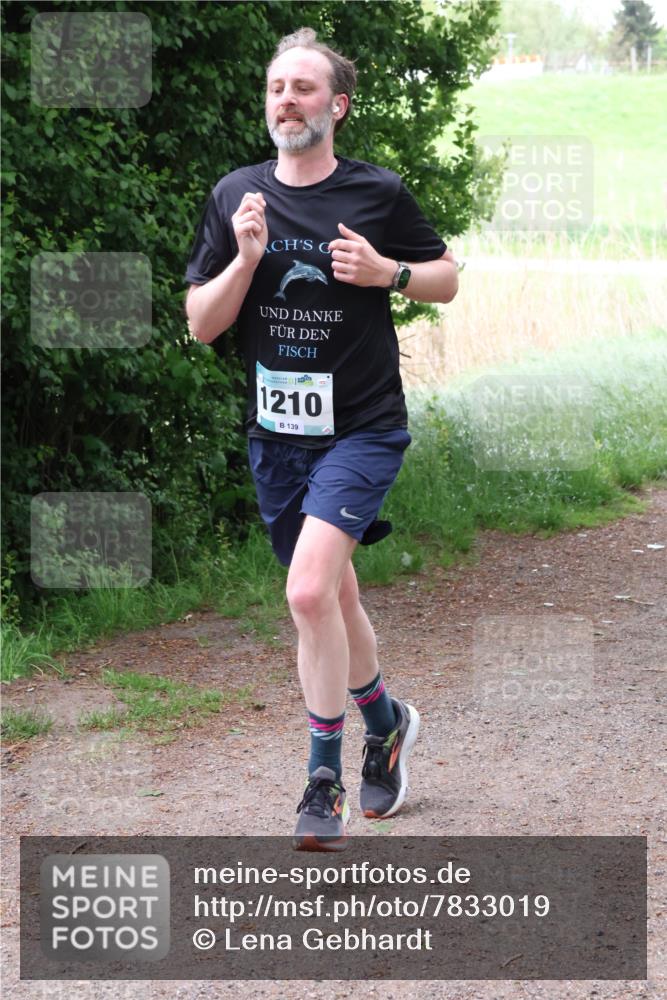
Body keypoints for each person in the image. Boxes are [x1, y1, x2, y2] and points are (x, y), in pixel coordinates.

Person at [185, 27, 459, 851]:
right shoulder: (238, 194)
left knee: (306, 593)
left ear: (334, 105)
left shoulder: (376, 193)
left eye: (303, 88)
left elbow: (446, 277)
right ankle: (387, 721)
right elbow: (201, 326)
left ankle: (320, 780)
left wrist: (391, 275)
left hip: (363, 429)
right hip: (278, 438)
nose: (286, 101)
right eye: (276, 87)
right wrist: (244, 259)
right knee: (332, 596)